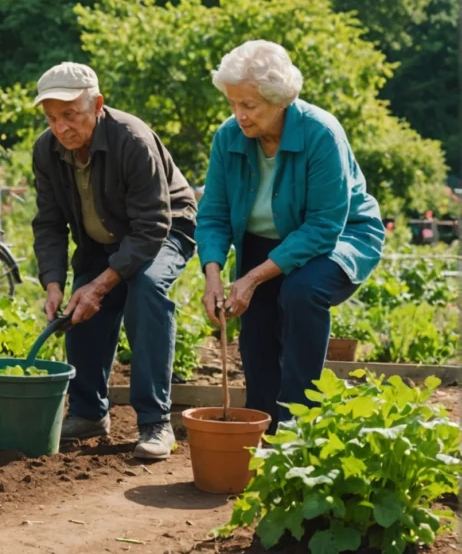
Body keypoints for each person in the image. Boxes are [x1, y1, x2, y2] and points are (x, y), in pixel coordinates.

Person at [196, 40, 384, 431]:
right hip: (265, 242)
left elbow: (324, 225)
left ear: (279, 99)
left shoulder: (320, 133)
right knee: (256, 327)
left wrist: (249, 277)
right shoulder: (227, 137)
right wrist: (214, 275)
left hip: (339, 237)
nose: (238, 115)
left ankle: (302, 422)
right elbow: (212, 214)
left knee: (300, 293)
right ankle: (262, 425)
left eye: (249, 106)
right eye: (232, 103)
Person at [31, 62, 197, 460]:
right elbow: (49, 223)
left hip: (163, 229)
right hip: (101, 240)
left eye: (70, 114)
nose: (61, 127)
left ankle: (155, 422)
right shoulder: (46, 150)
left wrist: (101, 285)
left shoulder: (131, 140)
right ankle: (88, 412)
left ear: (98, 105)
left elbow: (151, 225)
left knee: (146, 290)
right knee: (78, 307)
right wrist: (54, 284)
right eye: (52, 117)